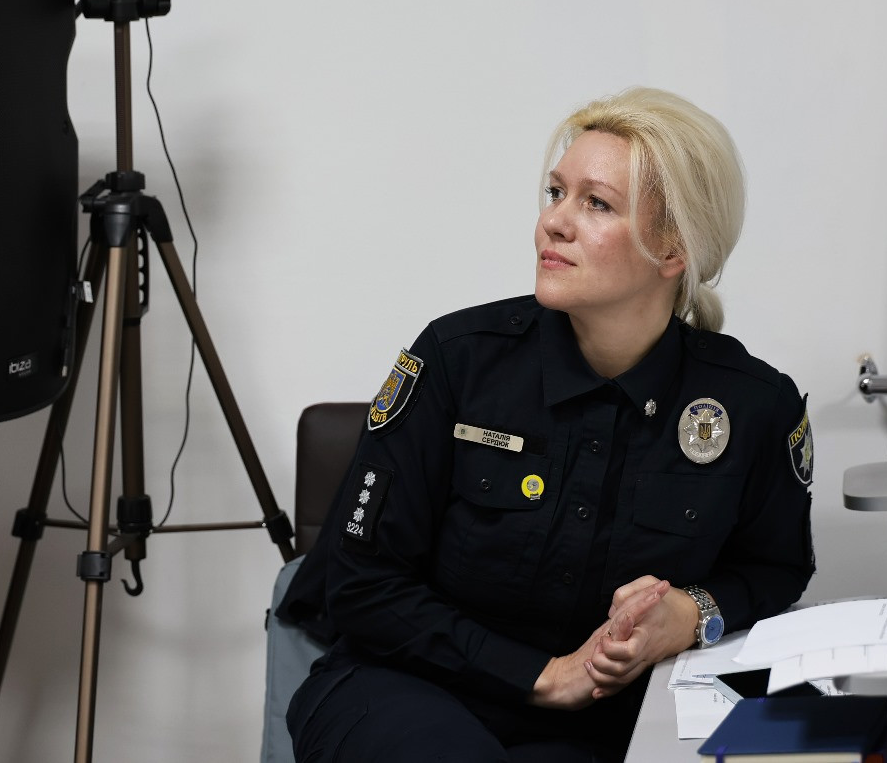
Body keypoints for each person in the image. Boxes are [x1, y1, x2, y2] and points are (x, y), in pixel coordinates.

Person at [278, 86, 816, 762]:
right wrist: (542, 675)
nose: (553, 223)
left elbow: (775, 567)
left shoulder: (754, 405)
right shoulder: (455, 360)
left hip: (597, 722)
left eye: (596, 203)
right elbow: (363, 585)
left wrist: (692, 613)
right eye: (555, 193)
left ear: (673, 248)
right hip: (406, 685)